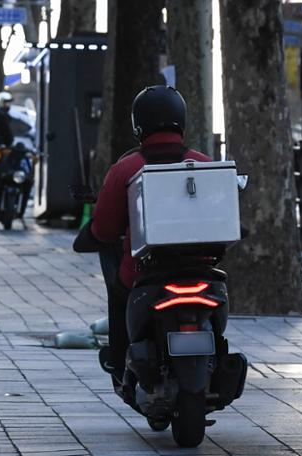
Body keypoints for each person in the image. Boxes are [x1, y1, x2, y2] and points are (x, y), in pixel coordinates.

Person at [86, 85, 211, 381]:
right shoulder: (204, 165)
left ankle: (118, 360)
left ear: (138, 124)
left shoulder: (125, 169)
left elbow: (104, 229)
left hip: (144, 271)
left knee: (118, 293)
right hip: (202, 269)